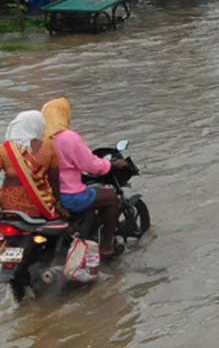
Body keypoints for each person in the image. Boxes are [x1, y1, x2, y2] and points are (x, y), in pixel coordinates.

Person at [41, 98, 127, 258]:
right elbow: (92, 165)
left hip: (44, 197)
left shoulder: (38, 139)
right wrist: (114, 165)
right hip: (69, 196)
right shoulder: (68, 138)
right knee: (111, 198)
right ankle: (108, 247)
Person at [1, 111, 59, 220]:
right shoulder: (47, 147)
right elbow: (54, 179)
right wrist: (59, 205)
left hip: (11, 205)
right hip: (41, 204)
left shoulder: (4, 149)